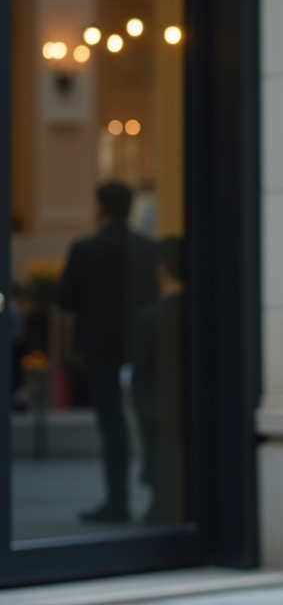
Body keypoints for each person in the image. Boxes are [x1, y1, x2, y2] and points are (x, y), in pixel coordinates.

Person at [56, 182, 157, 523]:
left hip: (100, 345)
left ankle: (118, 500)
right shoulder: (147, 248)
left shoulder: (86, 249)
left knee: (111, 422)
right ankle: (159, 497)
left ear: (100, 207)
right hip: (143, 343)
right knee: (149, 417)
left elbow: (65, 298)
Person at [131, 237, 186, 524]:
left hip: (156, 407)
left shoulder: (150, 317)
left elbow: (140, 369)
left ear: (161, 268)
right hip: (187, 405)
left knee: (160, 459)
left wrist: (139, 403)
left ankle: (161, 508)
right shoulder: (202, 314)